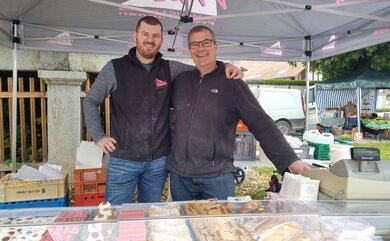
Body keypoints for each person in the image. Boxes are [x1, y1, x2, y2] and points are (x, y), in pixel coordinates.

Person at [83, 16, 242, 205]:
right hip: (123, 160)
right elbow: (91, 100)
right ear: (135, 36)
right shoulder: (115, 68)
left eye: (155, 36)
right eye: (145, 34)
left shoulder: (170, 68)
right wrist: (99, 136)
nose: (150, 40)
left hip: (158, 162)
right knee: (116, 213)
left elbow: (203, 67)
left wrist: (225, 66)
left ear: (161, 40)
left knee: (151, 213)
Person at [167, 25, 311, 201]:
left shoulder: (232, 83)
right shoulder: (180, 81)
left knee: (221, 227)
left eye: (206, 42)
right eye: (195, 44)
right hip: (180, 176)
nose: (201, 48)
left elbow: (261, 122)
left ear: (215, 45)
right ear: (189, 49)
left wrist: (289, 159)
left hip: (217, 177)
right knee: (182, 226)